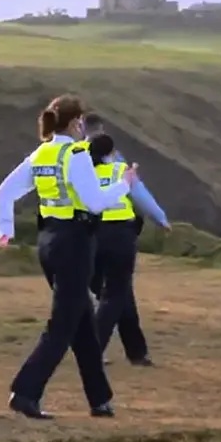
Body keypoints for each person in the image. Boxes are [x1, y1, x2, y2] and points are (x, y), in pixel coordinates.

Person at [0, 94, 138, 420]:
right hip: (75, 243)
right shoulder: (76, 153)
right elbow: (96, 202)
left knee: (82, 321)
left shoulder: (41, 153)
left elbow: (4, 191)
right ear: (76, 123)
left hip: (49, 241)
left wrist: (6, 229)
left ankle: (100, 400)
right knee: (63, 325)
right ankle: (25, 391)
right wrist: (124, 184)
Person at [82, 114, 171, 367]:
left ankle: (136, 351)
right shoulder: (120, 169)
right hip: (119, 235)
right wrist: (161, 218)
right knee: (116, 294)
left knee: (116, 293)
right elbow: (140, 195)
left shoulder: (79, 168)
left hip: (89, 234)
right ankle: (93, 350)